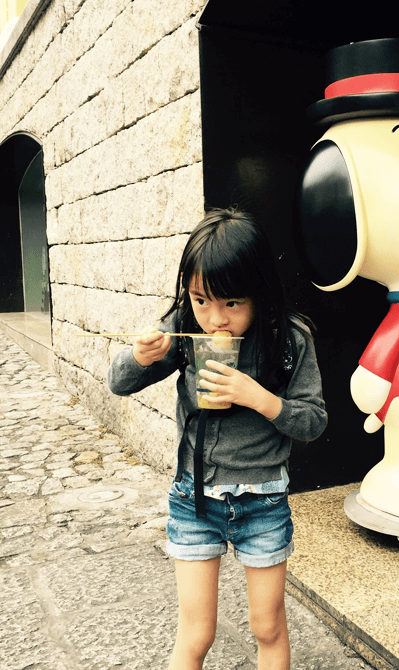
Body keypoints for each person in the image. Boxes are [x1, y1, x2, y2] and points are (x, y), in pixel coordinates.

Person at [108, 207, 327, 670]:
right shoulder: (183, 330)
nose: (215, 321)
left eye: (232, 304)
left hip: (263, 500)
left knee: (267, 624)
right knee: (197, 632)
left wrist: (260, 398)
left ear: (261, 294)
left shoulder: (290, 340)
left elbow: (313, 421)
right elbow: (119, 383)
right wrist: (140, 355)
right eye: (201, 300)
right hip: (194, 498)